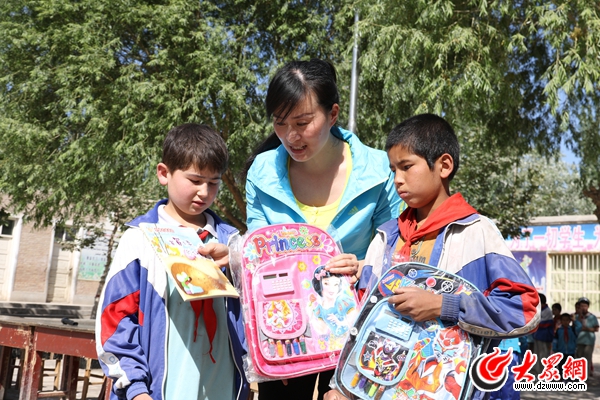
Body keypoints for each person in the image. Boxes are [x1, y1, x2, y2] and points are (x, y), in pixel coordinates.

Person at [324, 113, 540, 400]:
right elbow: (363, 322)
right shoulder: (386, 238)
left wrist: (443, 305)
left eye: (406, 167)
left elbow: (523, 310)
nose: (397, 180)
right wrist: (341, 386)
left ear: (444, 165)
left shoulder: (476, 233)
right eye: (393, 170)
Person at [244, 58, 402, 400]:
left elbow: (397, 255)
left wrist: (362, 267)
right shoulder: (261, 173)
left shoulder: (379, 172)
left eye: (302, 122)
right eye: (280, 122)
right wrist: (270, 343)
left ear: (332, 115)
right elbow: (256, 261)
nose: (290, 136)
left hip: (354, 330)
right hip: (285, 332)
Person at [95, 124, 249, 400]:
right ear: (164, 173)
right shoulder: (140, 239)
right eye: (195, 180)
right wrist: (136, 389)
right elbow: (115, 319)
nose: (204, 192)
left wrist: (239, 262)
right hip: (157, 392)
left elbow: (255, 312)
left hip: (223, 388)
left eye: (213, 183)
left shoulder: (232, 242)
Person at [532, 293, 554, 375]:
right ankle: (538, 372)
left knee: (543, 355)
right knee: (537, 354)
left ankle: (543, 373)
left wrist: (534, 322)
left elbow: (542, 324)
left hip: (544, 337)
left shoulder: (547, 311)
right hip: (538, 336)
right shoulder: (540, 310)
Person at [575, 296, 598, 375]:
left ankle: (585, 375)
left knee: (587, 359)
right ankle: (578, 375)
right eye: (581, 306)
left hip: (589, 342)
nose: (583, 308)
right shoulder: (576, 317)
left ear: (588, 306)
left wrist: (586, 329)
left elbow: (596, 328)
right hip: (579, 341)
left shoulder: (592, 317)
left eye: (585, 306)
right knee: (578, 358)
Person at [553, 312, 581, 379]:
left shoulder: (573, 329)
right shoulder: (559, 330)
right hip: (561, 350)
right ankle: (561, 378)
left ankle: (569, 378)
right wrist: (554, 348)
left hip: (571, 351)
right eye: (563, 320)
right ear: (561, 321)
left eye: (567, 320)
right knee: (561, 365)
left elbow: (580, 326)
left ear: (570, 321)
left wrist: (574, 320)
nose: (565, 322)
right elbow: (555, 340)